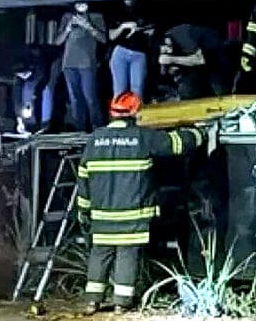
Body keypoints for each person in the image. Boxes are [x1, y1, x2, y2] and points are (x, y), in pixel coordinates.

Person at [76, 91, 206, 315]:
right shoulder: (142, 137)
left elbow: (84, 179)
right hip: (132, 217)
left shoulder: (94, 140)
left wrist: (84, 212)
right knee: (127, 256)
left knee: (100, 254)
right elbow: (176, 144)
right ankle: (121, 303)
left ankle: (92, 301)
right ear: (134, 113)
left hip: (101, 217)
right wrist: (199, 132)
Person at [55, 2, 107, 132]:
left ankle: (98, 129)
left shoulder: (96, 17)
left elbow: (103, 39)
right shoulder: (67, 17)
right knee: (75, 99)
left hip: (87, 63)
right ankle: (79, 131)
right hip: (69, 64)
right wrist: (67, 29)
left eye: (83, 3)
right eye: (78, 3)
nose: (81, 5)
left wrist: (88, 26)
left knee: (90, 98)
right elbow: (57, 41)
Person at [158, 23, 229, 100]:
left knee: (221, 92)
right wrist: (164, 65)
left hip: (214, 54)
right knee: (186, 91)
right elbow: (164, 72)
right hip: (197, 62)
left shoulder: (181, 35)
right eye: (164, 49)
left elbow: (200, 60)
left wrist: (172, 59)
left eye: (167, 46)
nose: (168, 50)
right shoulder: (165, 45)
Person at [108, 0, 152, 99]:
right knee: (119, 89)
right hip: (121, 52)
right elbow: (111, 36)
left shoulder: (144, 8)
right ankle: (121, 114)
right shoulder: (115, 10)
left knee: (137, 89)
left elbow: (151, 29)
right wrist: (123, 26)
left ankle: (136, 114)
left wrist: (143, 30)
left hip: (139, 53)